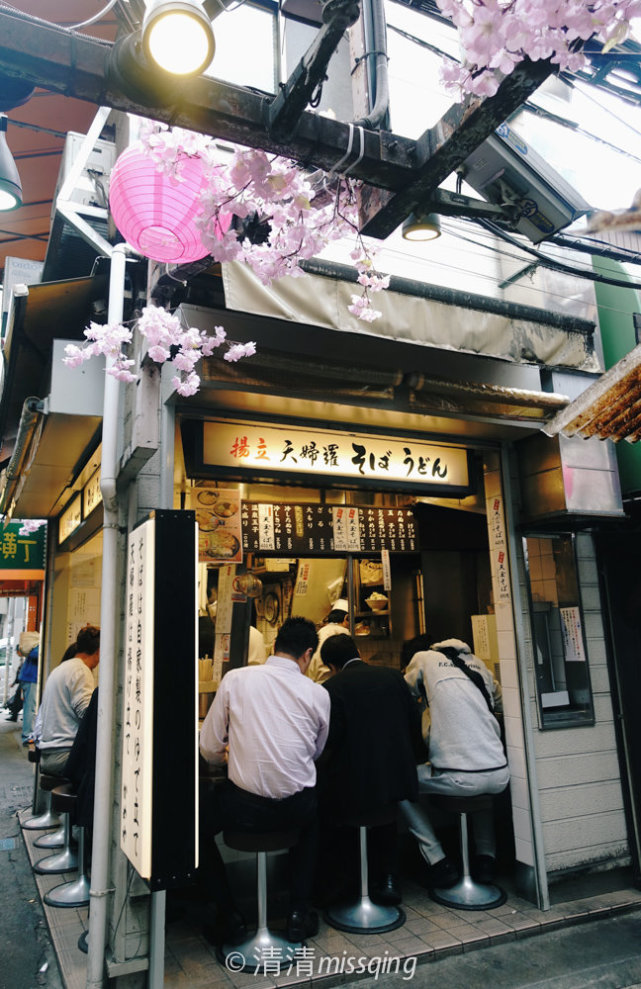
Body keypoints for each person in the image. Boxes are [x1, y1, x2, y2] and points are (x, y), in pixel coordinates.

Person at [199, 616, 330, 944]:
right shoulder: (318, 693)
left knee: (195, 829)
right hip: (296, 809)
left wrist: (230, 757)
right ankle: (298, 912)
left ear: (274, 646)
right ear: (308, 654)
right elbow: (314, 752)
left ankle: (228, 913)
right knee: (313, 822)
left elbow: (209, 747)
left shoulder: (236, 679)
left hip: (243, 810)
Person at [316, 634, 423, 906]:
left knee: (328, 802)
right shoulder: (394, 678)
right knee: (384, 813)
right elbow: (414, 724)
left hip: (353, 786)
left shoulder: (331, 688)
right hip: (396, 779)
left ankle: (346, 881)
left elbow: (330, 741)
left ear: (331, 666)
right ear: (358, 652)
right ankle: (388, 879)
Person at [400, 637, 508, 887]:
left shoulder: (423, 659)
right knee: (481, 785)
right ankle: (486, 859)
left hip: (458, 777)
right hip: (499, 775)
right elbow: (502, 702)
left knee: (399, 783)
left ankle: (438, 860)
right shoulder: (478, 663)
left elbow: (402, 695)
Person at [36, 626, 100, 777]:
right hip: (65, 756)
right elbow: (87, 716)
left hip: (48, 754)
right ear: (99, 651)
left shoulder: (61, 669)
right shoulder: (81, 671)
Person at [306, 599, 350, 684]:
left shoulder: (322, 631)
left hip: (313, 682)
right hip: (329, 682)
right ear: (346, 618)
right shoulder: (343, 632)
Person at [17, 631, 40, 746]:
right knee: (30, 708)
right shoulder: (37, 647)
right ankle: (27, 736)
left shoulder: (35, 646)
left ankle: (28, 734)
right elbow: (36, 654)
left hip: (28, 679)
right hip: (31, 679)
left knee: (30, 708)